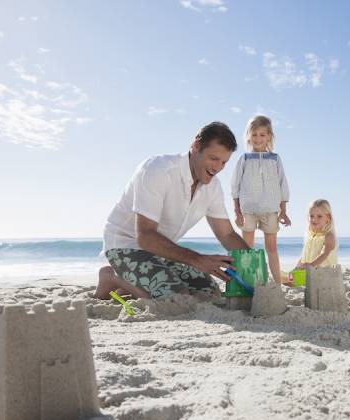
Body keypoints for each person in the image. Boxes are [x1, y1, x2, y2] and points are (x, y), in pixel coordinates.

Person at [94, 121, 250, 300]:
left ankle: (129, 285)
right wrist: (198, 260)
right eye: (214, 158)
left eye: (224, 162)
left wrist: (254, 264)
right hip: (125, 245)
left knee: (209, 293)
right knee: (177, 298)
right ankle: (112, 277)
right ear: (196, 146)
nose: (218, 168)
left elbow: (227, 234)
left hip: (160, 251)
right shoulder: (158, 169)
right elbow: (145, 236)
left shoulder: (213, 187)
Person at [231, 115, 291, 283]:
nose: (258, 138)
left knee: (271, 248)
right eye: (254, 134)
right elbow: (234, 187)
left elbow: (283, 185)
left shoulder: (275, 159)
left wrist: (283, 211)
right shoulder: (243, 159)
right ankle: (246, 281)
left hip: (270, 211)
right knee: (247, 249)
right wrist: (237, 211)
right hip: (248, 211)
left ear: (269, 136)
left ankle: (277, 283)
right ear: (249, 136)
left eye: (262, 135)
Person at [292, 199, 338, 271]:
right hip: (309, 273)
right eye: (311, 216)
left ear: (328, 218)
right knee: (288, 279)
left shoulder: (329, 236)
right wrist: (296, 268)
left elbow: (324, 254)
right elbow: (304, 256)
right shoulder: (311, 236)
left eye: (319, 216)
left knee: (294, 280)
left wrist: (310, 266)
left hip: (324, 275)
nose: (314, 219)